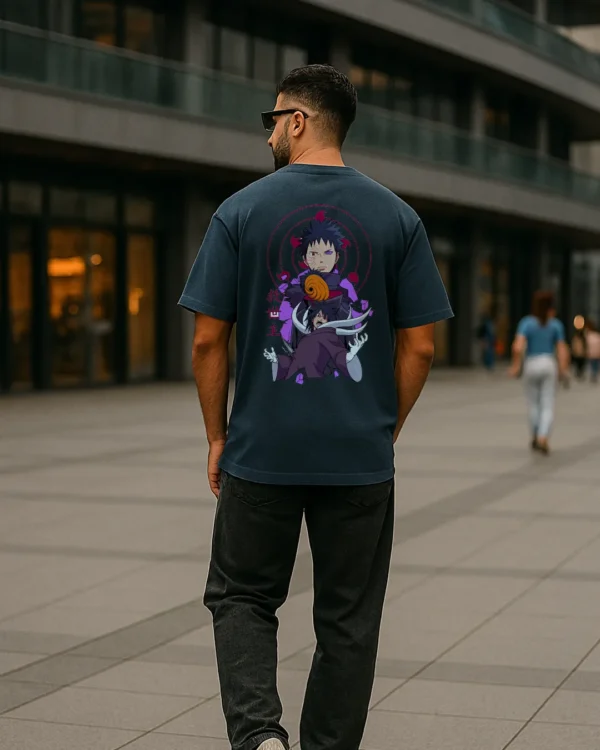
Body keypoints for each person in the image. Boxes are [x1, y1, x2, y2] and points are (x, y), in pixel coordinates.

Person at [179, 64, 453, 750]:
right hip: (359, 457)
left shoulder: (240, 211)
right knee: (348, 622)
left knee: (242, 596)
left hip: (260, 450)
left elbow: (208, 339)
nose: (269, 132)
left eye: (272, 119)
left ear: (297, 121)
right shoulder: (399, 217)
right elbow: (421, 347)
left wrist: (216, 436)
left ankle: (259, 737)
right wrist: (384, 427)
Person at [510, 291, 570, 455]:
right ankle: (543, 436)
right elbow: (562, 349)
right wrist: (563, 369)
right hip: (548, 363)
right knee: (547, 403)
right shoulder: (556, 325)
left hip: (531, 363)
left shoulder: (527, 323)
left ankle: (535, 435)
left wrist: (516, 366)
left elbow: (517, 347)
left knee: (533, 403)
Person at [586, 319, 600, 383]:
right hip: (594, 353)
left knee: (593, 364)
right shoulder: (596, 336)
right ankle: (594, 374)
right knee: (594, 364)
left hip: (593, 353)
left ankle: (594, 374)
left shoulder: (589, 335)